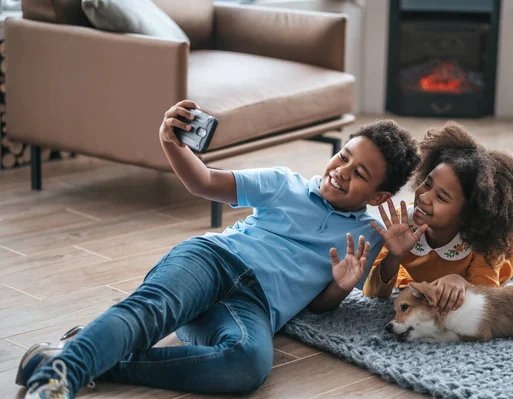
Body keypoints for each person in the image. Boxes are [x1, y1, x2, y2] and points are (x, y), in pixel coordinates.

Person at [16, 100, 423, 399]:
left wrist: (341, 285)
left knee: (246, 366)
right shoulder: (285, 184)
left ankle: (83, 352)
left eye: (359, 174)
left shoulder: (369, 235)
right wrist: (173, 144)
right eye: (344, 156)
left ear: (379, 194)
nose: (341, 172)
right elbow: (205, 182)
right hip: (213, 261)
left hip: (254, 307)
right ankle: (60, 376)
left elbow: (319, 305)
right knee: (150, 311)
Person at [363, 121, 513, 317]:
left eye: (442, 197)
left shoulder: (487, 245)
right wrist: (394, 255)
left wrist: (461, 281)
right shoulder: (401, 223)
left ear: (469, 213)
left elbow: (488, 299)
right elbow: (375, 292)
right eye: (427, 183)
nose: (424, 197)